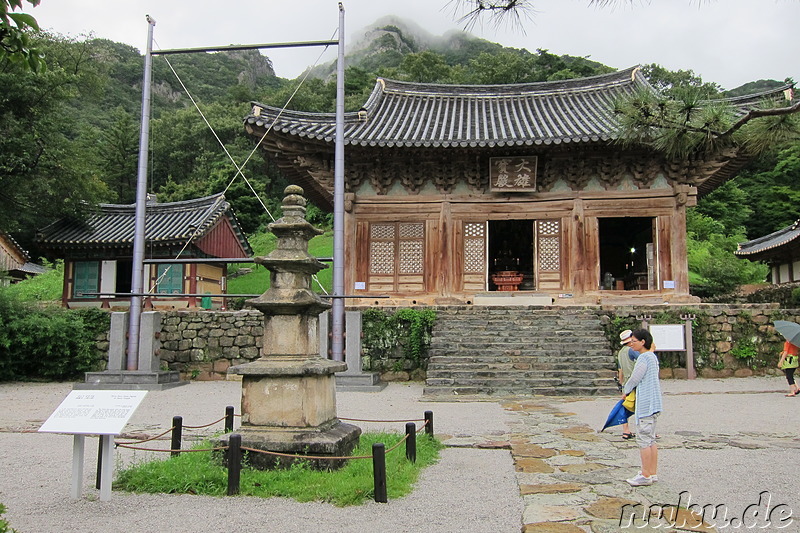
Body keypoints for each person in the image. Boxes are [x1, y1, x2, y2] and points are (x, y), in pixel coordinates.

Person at [622, 328, 662, 487]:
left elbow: (635, 378)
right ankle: (651, 472)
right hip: (654, 402)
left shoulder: (644, 358)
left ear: (642, 342)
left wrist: (625, 390)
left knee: (644, 440)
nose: (631, 344)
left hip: (646, 403)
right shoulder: (652, 357)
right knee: (651, 439)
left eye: (634, 341)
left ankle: (645, 475)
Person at [616, 329, 636, 439]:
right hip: (635, 381)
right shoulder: (632, 350)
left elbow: (620, 370)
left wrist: (621, 384)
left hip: (626, 382)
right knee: (641, 406)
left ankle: (625, 430)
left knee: (626, 406)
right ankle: (646, 430)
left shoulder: (621, 352)